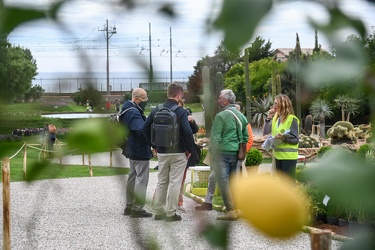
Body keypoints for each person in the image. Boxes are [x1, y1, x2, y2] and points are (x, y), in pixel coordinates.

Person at [143, 83, 194, 222]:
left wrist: (154, 145)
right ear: (179, 95)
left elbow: (145, 128)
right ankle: (171, 213)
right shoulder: (181, 111)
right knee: (175, 182)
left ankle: (158, 211)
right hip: (179, 152)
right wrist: (189, 149)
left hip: (162, 151)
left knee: (162, 181)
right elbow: (188, 131)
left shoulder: (156, 110)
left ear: (167, 93)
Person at [209, 89, 248, 220]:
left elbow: (215, 138)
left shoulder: (221, 116)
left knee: (223, 182)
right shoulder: (241, 116)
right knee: (233, 181)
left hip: (222, 154)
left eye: (220, 98)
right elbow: (246, 136)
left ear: (225, 100)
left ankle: (231, 210)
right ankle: (237, 208)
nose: (218, 100)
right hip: (236, 154)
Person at [122, 88, 153, 218]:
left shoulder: (125, 109)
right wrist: (152, 142)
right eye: (144, 99)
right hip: (139, 149)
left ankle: (129, 206)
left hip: (130, 148)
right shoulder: (134, 113)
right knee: (141, 178)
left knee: (132, 176)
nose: (146, 101)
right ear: (136, 99)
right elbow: (140, 131)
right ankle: (137, 208)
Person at [263, 94, 300, 178]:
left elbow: (296, 140)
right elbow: (265, 132)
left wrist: (283, 138)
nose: (274, 106)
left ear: (283, 104)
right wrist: (268, 118)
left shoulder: (292, 119)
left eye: (276, 103)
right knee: (282, 184)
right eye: (274, 103)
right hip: (277, 156)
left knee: (288, 184)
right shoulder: (276, 118)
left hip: (289, 157)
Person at [177, 99, 199, 212]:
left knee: (181, 178)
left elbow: (194, 130)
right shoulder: (168, 113)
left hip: (183, 151)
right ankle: (160, 202)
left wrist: (192, 122)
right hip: (176, 149)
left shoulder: (185, 113)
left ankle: (178, 202)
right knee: (165, 178)